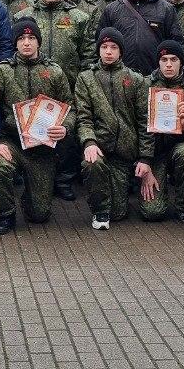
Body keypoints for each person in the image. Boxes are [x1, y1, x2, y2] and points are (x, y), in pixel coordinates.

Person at [0, 18, 74, 234]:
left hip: (42, 149)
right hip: (11, 142)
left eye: (31, 38)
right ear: (15, 43)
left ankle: (30, 198)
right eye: (21, 38)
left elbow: (70, 107)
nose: (26, 42)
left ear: (38, 41)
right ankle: (6, 214)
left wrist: (65, 127)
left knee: (39, 215)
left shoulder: (54, 71)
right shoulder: (4, 71)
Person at [14, 0, 90, 199]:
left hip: (67, 83)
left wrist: (82, 80)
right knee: (33, 129)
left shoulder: (78, 17)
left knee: (64, 132)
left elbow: (88, 52)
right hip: (31, 82)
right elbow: (16, 45)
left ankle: (64, 179)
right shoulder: (24, 15)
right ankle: (32, 175)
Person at [75, 28, 155, 230]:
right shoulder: (86, 78)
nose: (108, 51)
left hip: (124, 153)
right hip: (99, 147)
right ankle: (99, 211)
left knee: (118, 213)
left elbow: (144, 121)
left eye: (113, 47)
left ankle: (117, 193)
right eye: (104, 47)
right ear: (98, 50)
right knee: (92, 164)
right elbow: (83, 117)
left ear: (121, 51)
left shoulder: (135, 79)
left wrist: (145, 158)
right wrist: (89, 142)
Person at [141, 40, 184, 224]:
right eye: (164, 60)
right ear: (158, 62)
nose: (168, 64)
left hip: (178, 148)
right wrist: (145, 163)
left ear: (181, 62)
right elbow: (139, 126)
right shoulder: (145, 85)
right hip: (153, 152)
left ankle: (183, 207)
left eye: (174, 59)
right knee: (153, 213)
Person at [97, 0, 183, 76]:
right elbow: (100, 41)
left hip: (155, 74)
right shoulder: (112, 9)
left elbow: (177, 42)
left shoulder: (165, 9)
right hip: (120, 74)